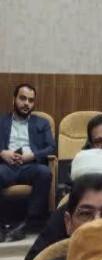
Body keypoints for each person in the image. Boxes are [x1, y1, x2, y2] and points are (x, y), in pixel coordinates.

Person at [0, 83, 55, 241]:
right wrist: (2, 152)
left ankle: (28, 223)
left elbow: (51, 147)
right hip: (6, 166)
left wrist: (31, 156)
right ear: (14, 99)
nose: (27, 103)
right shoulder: (2, 121)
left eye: (31, 100)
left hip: (30, 166)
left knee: (44, 173)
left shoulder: (42, 123)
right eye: (23, 98)